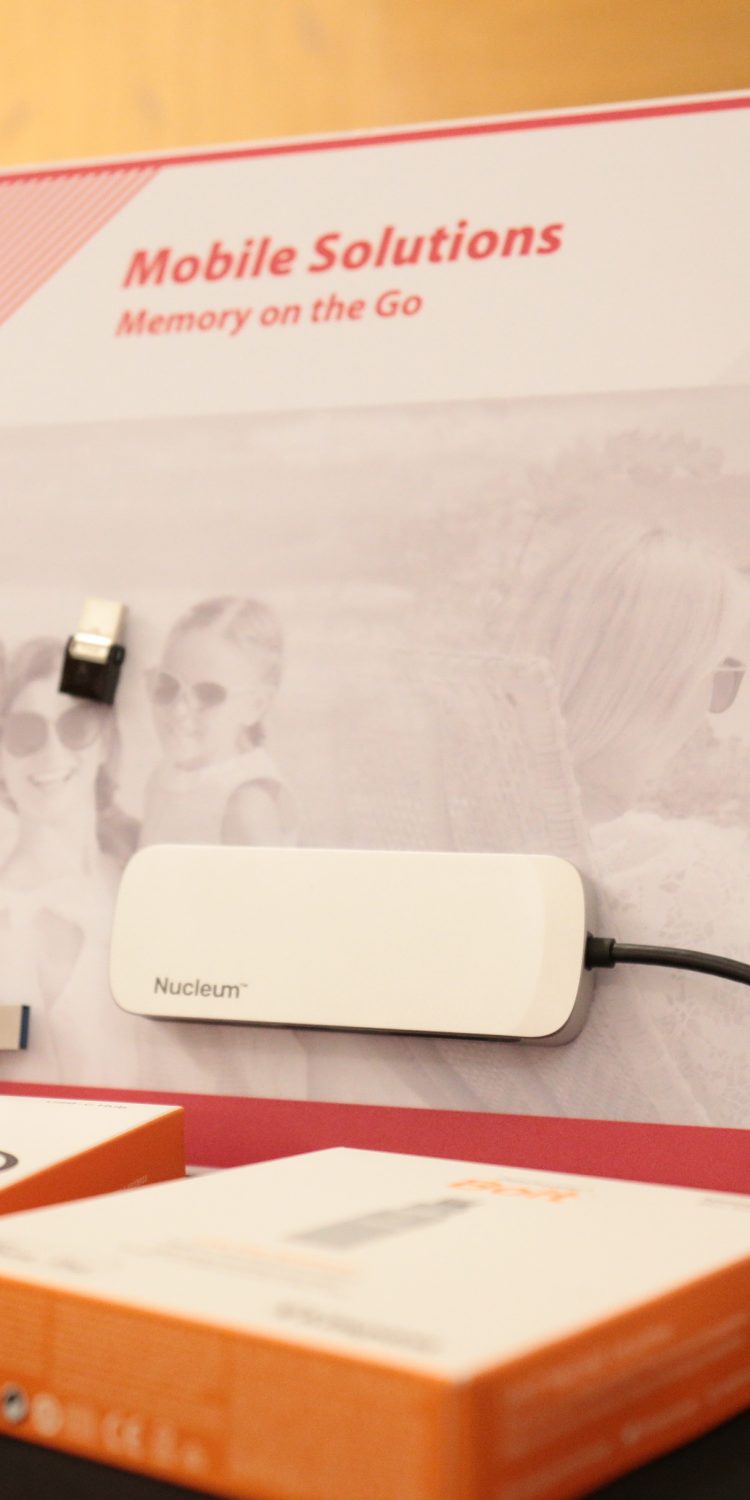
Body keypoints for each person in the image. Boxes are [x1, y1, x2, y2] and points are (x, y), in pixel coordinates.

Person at [416, 519, 750, 1127]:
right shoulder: (694, 883)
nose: (710, 718)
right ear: (654, 677)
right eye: (722, 677)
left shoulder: (443, 847)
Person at [0, 637, 139, 1083]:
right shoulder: (9, 924)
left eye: (75, 726)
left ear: (105, 741)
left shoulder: (135, 876)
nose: (53, 753)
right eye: (25, 732)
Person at [140, 596, 295, 847]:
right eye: (167, 685)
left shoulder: (247, 805)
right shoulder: (167, 774)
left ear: (254, 706)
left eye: (208, 694)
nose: (179, 710)